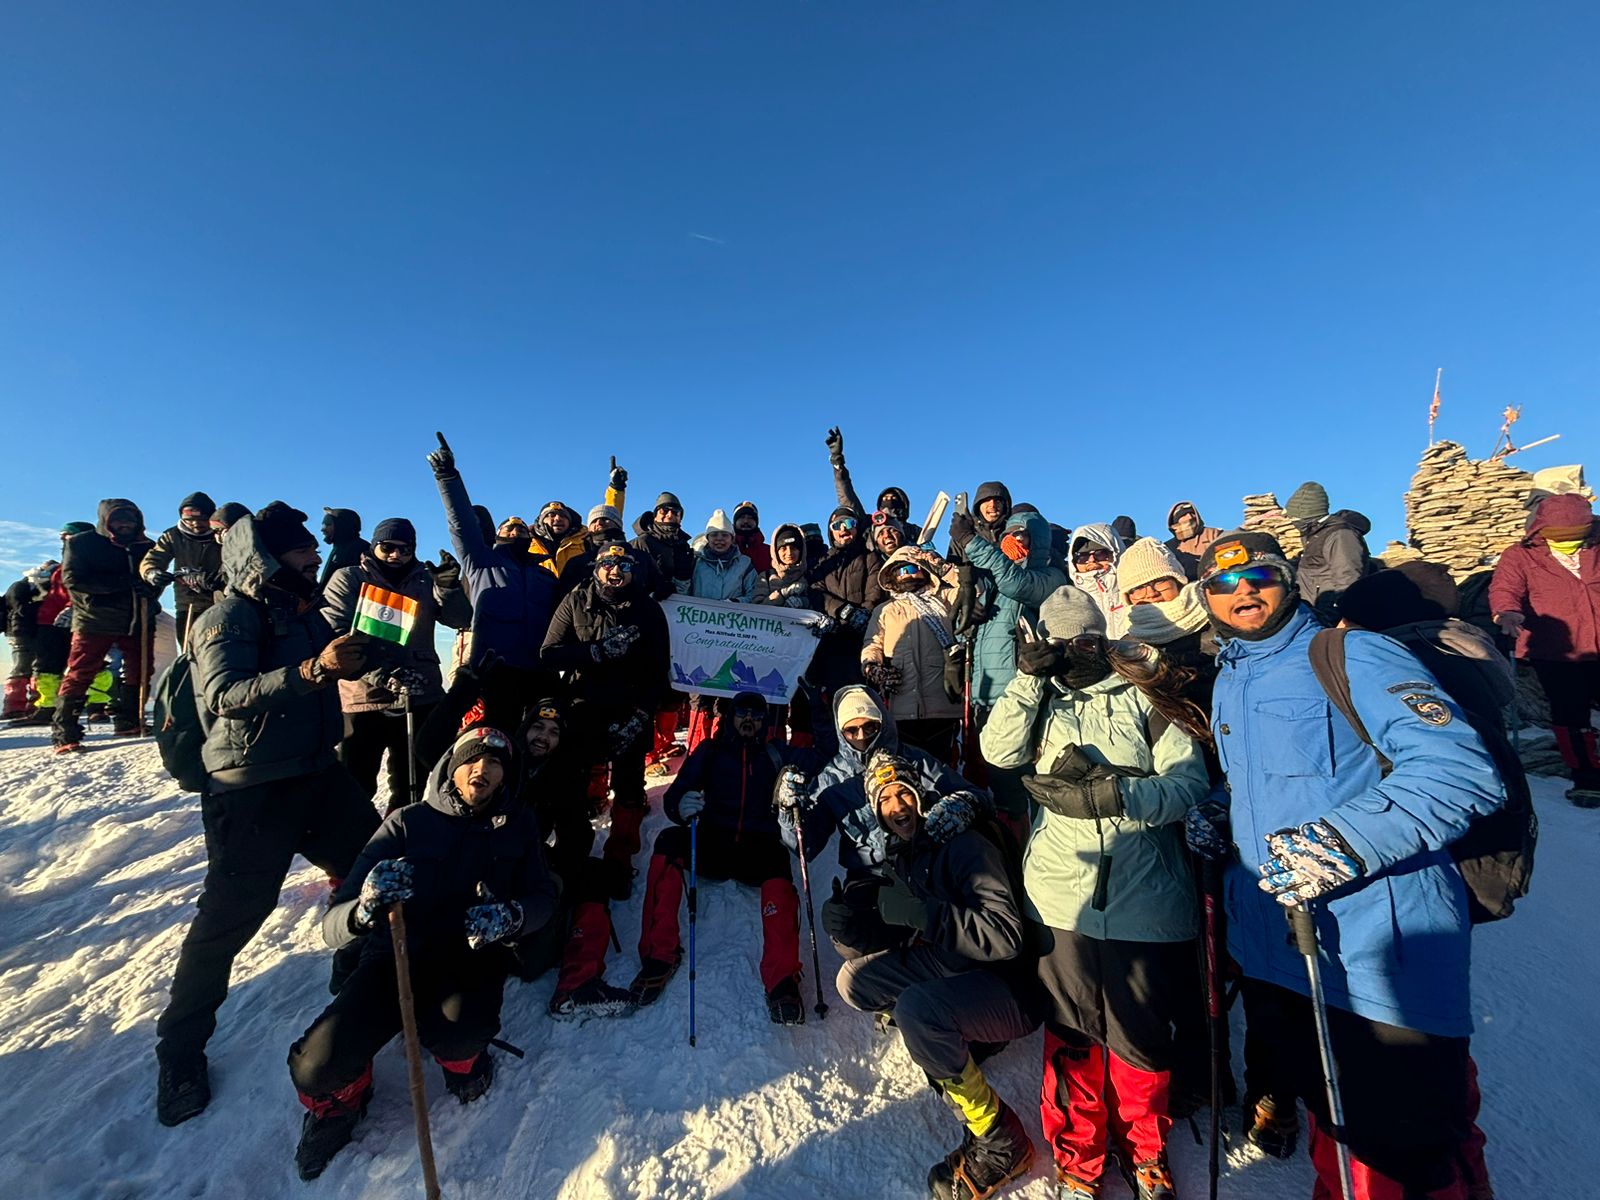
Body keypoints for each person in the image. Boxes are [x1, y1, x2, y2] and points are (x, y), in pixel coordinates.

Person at [1186, 531, 1505, 1199]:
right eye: (1222, 582)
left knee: (1405, 1163)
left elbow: (1461, 773)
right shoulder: (1231, 679)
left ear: (1288, 580)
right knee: (1338, 1139)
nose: (1242, 589)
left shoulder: (1351, 654)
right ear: (1206, 597)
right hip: (1283, 953)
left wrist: (1342, 842)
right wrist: (1220, 809)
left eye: (1260, 575)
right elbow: (1261, 784)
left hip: (1377, 962)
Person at [154, 503, 380, 1128]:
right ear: (267, 557)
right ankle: (179, 1052)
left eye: (313, 547)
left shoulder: (302, 611)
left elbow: (318, 675)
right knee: (230, 920)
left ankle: (353, 952)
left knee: (375, 861)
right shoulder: (227, 615)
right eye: (302, 550)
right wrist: (315, 670)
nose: (313, 557)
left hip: (316, 772)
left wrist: (349, 662)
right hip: (250, 787)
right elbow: (225, 697)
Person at [981, 586, 1209, 1200]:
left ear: (1102, 639)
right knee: (1074, 1035)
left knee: (1139, 1038)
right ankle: (1079, 1155)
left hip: (1145, 896)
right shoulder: (1042, 703)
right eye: (1059, 645)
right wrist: (1029, 682)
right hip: (1061, 897)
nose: (1072, 653)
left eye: (1083, 640)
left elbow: (1189, 783)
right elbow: (996, 752)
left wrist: (1121, 797)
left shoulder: (1142, 696)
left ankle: (1146, 1149)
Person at [286, 725, 561, 1180]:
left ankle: (463, 1062)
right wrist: (366, 907)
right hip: (393, 956)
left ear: (504, 779)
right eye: (473, 759)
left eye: (495, 764)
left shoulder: (518, 825)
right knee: (316, 1066)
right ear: (451, 768)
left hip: (469, 958)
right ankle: (343, 1101)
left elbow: (542, 899)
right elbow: (332, 927)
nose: (483, 769)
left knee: (460, 1034)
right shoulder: (407, 822)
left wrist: (511, 916)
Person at [836, 749, 1039, 1200]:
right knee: (854, 982)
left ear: (919, 795)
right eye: (885, 799)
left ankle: (1000, 1140)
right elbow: (904, 923)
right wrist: (855, 924)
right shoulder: (906, 851)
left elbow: (1005, 936)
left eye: (904, 793)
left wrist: (926, 916)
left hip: (1008, 985)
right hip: (959, 965)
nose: (897, 807)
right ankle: (968, 1039)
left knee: (917, 1011)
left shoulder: (961, 843)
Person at [599, 692, 809, 1022]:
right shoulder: (710, 752)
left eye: (756, 714)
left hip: (756, 848)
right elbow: (675, 797)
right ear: (731, 717)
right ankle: (659, 954)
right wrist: (681, 808)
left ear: (765, 720)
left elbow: (821, 760)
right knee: (669, 841)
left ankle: (782, 980)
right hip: (711, 844)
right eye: (742, 714)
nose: (749, 720)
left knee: (780, 862)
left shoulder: (775, 753)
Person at [782, 684, 989, 963]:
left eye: (870, 726)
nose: (862, 737)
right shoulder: (833, 779)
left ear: (883, 721)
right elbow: (804, 847)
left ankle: (936, 948)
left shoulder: (914, 760)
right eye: (851, 731)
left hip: (923, 864)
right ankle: (886, 962)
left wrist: (962, 805)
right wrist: (789, 810)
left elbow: (977, 795)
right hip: (871, 876)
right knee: (845, 929)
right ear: (841, 733)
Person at [541, 542, 671, 900]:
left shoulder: (648, 609)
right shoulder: (576, 600)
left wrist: (642, 714)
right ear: (596, 568)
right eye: (609, 564)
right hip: (585, 706)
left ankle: (620, 856)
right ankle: (571, 852)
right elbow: (549, 653)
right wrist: (593, 652)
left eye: (624, 565)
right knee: (574, 782)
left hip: (633, 707)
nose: (616, 571)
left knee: (630, 786)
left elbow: (660, 668)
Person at [321, 516, 472, 812]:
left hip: (419, 695)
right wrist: (380, 674)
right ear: (374, 545)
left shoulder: (424, 580)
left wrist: (448, 588)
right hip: (363, 697)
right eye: (388, 547)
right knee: (356, 780)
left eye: (405, 549)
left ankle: (402, 836)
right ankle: (356, 847)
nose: (396, 555)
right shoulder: (350, 578)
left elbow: (460, 620)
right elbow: (334, 632)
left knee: (411, 782)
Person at [428, 433, 561, 729]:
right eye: (509, 526)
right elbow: (461, 522)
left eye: (521, 526)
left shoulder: (545, 574)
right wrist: (447, 476)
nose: (516, 529)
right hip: (498, 671)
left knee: (548, 740)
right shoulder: (481, 561)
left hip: (541, 670)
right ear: (498, 534)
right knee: (502, 736)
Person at [947, 507, 1066, 826]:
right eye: (1009, 535)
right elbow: (966, 626)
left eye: (1022, 535)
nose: (1014, 541)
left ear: (1038, 541)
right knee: (993, 785)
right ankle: (1005, 849)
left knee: (1019, 788)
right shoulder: (993, 580)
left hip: (1021, 698)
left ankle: (1029, 851)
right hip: (985, 697)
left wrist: (972, 541)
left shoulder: (1050, 576)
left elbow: (1020, 585)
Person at [1489, 491, 1600, 805]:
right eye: (1557, 538)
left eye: (1575, 537)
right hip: (1555, 649)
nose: (1567, 543)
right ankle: (1587, 778)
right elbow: (1505, 587)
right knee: (1570, 713)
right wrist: (1506, 612)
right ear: (1540, 531)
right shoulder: (1520, 555)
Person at [51, 499, 159, 749]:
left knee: (140, 670)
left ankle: (128, 719)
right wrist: (121, 584)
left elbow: (155, 576)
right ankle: (65, 730)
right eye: (119, 519)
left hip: (138, 618)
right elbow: (74, 580)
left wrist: (151, 589)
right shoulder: (82, 543)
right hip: (95, 618)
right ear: (106, 521)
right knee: (82, 671)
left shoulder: (145, 545)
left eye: (130, 520)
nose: (125, 525)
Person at [861, 545, 962, 760]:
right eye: (901, 570)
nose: (906, 574)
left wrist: (943, 568)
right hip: (900, 703)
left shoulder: (945, 598)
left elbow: (975, 590)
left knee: (942, 766)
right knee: (907, 765)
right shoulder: (885, 609)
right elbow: (873, 643)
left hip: (943, 701)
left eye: (912, 568)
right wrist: (872, 667)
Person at [683, 509, 759, 750]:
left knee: (726, 692)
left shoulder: (745, 564)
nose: (719, 539)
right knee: (699, 693)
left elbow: (755, 593)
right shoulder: (696, 562)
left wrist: (737, 604)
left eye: (724, 535)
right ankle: (698, 750)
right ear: (707, 537)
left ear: (732, 538)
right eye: (714, 535)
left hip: (731, 638)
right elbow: (684, 592)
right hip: (700, 638)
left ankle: (723, 746)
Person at [809, 504, 885, 702]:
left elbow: (875, 592)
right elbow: (816, 591)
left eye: (849, 523)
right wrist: (841, 610)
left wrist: (863, 615)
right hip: (831, 642)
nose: (843, 528)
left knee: (863, 698)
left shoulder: (870, 558)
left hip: (861, 640)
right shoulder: (822, 562)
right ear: (831, 531)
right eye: (837, 525)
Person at [759, 523, 824, 747]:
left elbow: (822, 606)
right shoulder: (765, 577)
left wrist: (806, 604)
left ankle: (801, 751)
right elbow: (756, 611)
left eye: (794, 548)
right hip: (771, 653)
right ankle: (771, 752)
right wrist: (780, 597)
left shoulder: (812, 576)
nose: (788, 553)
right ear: (775, 551)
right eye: (783, 548)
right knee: (772, 706)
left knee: (802, 705)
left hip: (805, 656)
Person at [140, 492, 225, 651]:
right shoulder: (173, 536)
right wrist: (151, 573)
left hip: (220, 602)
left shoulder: (222, 535)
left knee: (217, 650)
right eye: (189, 520)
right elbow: (154, 558)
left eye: (201, 520)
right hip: (188, 604)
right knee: (188, 649)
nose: (195, 524)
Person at [1284, 480, 1374, 618]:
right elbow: (1312, 565)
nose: (1292, 521)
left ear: (1308, 514)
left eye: (1294, 517)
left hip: (1330, 615)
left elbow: (1348, 577)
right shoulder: (1315, 533)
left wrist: (1341, 615)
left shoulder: (1340, 535)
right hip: (1315, 611)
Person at [825, 426, 921, 541]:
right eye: (885, 499)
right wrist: (837, 463)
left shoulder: (915, 531)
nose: (889, 502)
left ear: (903, 504)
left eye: (893, 498)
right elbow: (847, 497)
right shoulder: (869, 525)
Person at [1065, 522, 1129, 640]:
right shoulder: (1069, 601)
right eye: (1082, 556)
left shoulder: (1135, 590)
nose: (1092, 561)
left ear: (1116, 553)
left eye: (1100, 554)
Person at [2, 563, 49, 718]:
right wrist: (41, 602)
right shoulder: (20, 587)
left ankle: (29, 704)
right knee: (21, 667)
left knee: (34, 667)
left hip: (30, 632)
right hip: (20, 632)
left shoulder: (22, 587)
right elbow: (20, 609)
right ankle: (14, 705)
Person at [1164, 500, 1222, 581]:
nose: (1190, 517)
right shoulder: (1167, 547)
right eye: (1184, 514)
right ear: (1175, 520)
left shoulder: (1214, 534)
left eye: (1192, 513)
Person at [318, 508, 368, 589]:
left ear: (342, 526)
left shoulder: (361, 549)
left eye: (328, 524)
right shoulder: (338, 549)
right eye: (323, 525)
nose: (322, 529)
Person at [733, 501, 772, 573]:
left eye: (750, 518)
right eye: (742, 517)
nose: (746, 521)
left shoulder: (770, 552)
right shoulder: (725, 550)